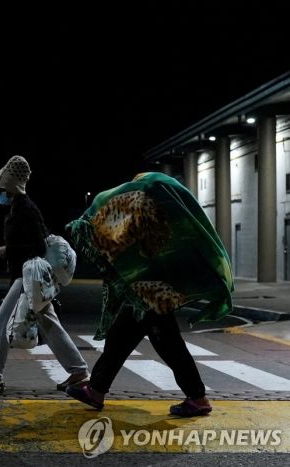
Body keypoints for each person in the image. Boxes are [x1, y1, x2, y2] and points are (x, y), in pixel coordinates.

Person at [64, 172, 234, 417]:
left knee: (157, 342)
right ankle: (97, 390)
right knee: (130, 339)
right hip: (150, 290)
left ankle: (197, 397)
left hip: (151, 291)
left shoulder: (150, 203)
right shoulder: (173, 215)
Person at [0, 155, 89, 394]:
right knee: (49, 323)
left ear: (10, 188)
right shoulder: (17, 208)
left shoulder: (26, 209)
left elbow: (38, 246)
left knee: (0, 322)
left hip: (27, 279)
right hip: (25, 277)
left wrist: (8, 250)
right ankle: (78, 371)